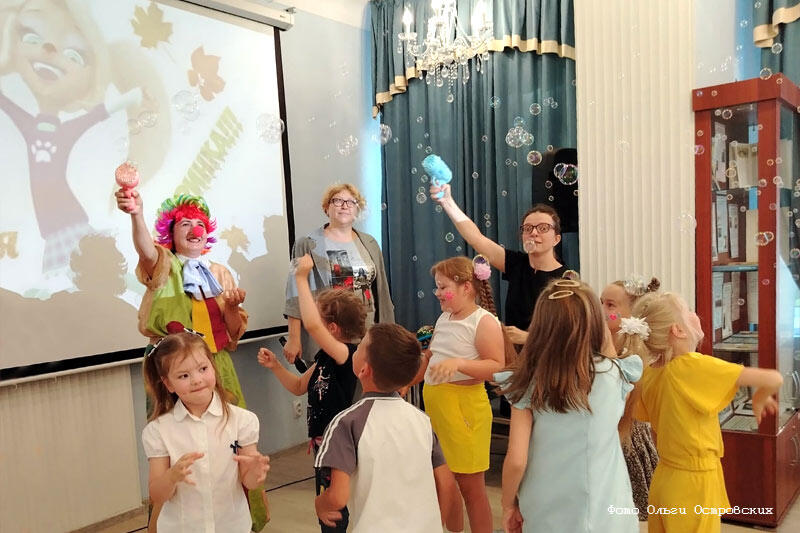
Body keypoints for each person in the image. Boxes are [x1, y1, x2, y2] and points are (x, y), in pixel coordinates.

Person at [115, 188, 268, 531]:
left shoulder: (219, 272)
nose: (194, 229)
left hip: (215, 364)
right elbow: (144, 248)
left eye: (199, 223)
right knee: (172, 440)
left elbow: (231, 333)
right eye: (185, 223)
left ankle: (236, 518)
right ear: (171, 232)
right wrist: (136, 213)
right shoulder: (164, 264)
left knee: (228, 438)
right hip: (173, 368)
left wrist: (231, 307)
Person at [619, 292, 783, 533]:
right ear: (678, 330)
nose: (695, 315)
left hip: (665, 479)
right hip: (693, 485)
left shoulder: (651, 373)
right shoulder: (691, 366)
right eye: (688, 311)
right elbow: (773, 378)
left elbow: (657, 430)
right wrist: (759, 396)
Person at [500, 279, 641, 533]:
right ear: (596, 324)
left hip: (548, 507)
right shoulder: (616, 374)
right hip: (609, 505)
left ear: (540, 326)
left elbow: (517, 461)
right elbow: (608, 354)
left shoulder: (531, 381)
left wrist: (508, 504)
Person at [313, 323, 461, 532]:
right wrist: (436, 524)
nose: (356, 347)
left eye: (361, 346)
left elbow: (338, 497)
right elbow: (446, 483)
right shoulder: (422, 421)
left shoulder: (346, 423)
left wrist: (320, 504)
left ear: (364, 370)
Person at [259, 254, 366, 533]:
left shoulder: (346, 355)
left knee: (333, 506)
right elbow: (298, 387)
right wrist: (275, 366)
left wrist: (300, 278)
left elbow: (312, 326)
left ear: (332, 329)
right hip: (323, 443)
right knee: (327, 505)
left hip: (338, 443)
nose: (313, 322)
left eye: (319, 318)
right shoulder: (324, 359)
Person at [141, 332, 270, 533]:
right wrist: (171, 477)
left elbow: (249, 481)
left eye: (203, 369)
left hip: (232, 527)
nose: (197, 380)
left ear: (213, 367)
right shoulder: (158, 431)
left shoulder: (243, 420)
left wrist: (256, 472)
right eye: (184, 376)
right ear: (168, 384)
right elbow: (156, 495)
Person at [420, 256, 511, 533]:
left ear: (467, 287)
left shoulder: (483, 322)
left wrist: (459, 364)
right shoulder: (445, 317)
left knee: (471, 487)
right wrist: (409, 378)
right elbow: (432, 356)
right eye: (436, 287)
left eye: (443, 287)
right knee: (444, 482)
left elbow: (496, 367)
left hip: (465, 413)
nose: (437, 293)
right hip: (439, 412)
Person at [430, 183, 566, 345]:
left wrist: (527, 338)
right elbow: (476, 238)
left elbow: (570, 335)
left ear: (556, 238)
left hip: (546, 357)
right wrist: (447, 202)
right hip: (512, 355)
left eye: (543, 228)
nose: (534, 233)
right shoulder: (517, 264)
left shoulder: (565, 281)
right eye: (528, 228)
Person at [284, 183, 394, 365]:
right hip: (328, 334)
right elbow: (294, 291)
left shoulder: (370, 242)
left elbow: (382, 292)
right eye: (337, 201)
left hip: (367, 333)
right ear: (326, 207)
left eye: (351, 202)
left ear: (357, 209)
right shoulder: (306, 244)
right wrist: (294, 337)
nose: (344, 206)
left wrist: (388, 332)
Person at [600, 275, 661, 520]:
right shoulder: (597, 344)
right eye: (600, 303)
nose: (602, 310)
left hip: (625, 437)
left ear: (632, 313)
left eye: (610, 305)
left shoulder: (631, 353)